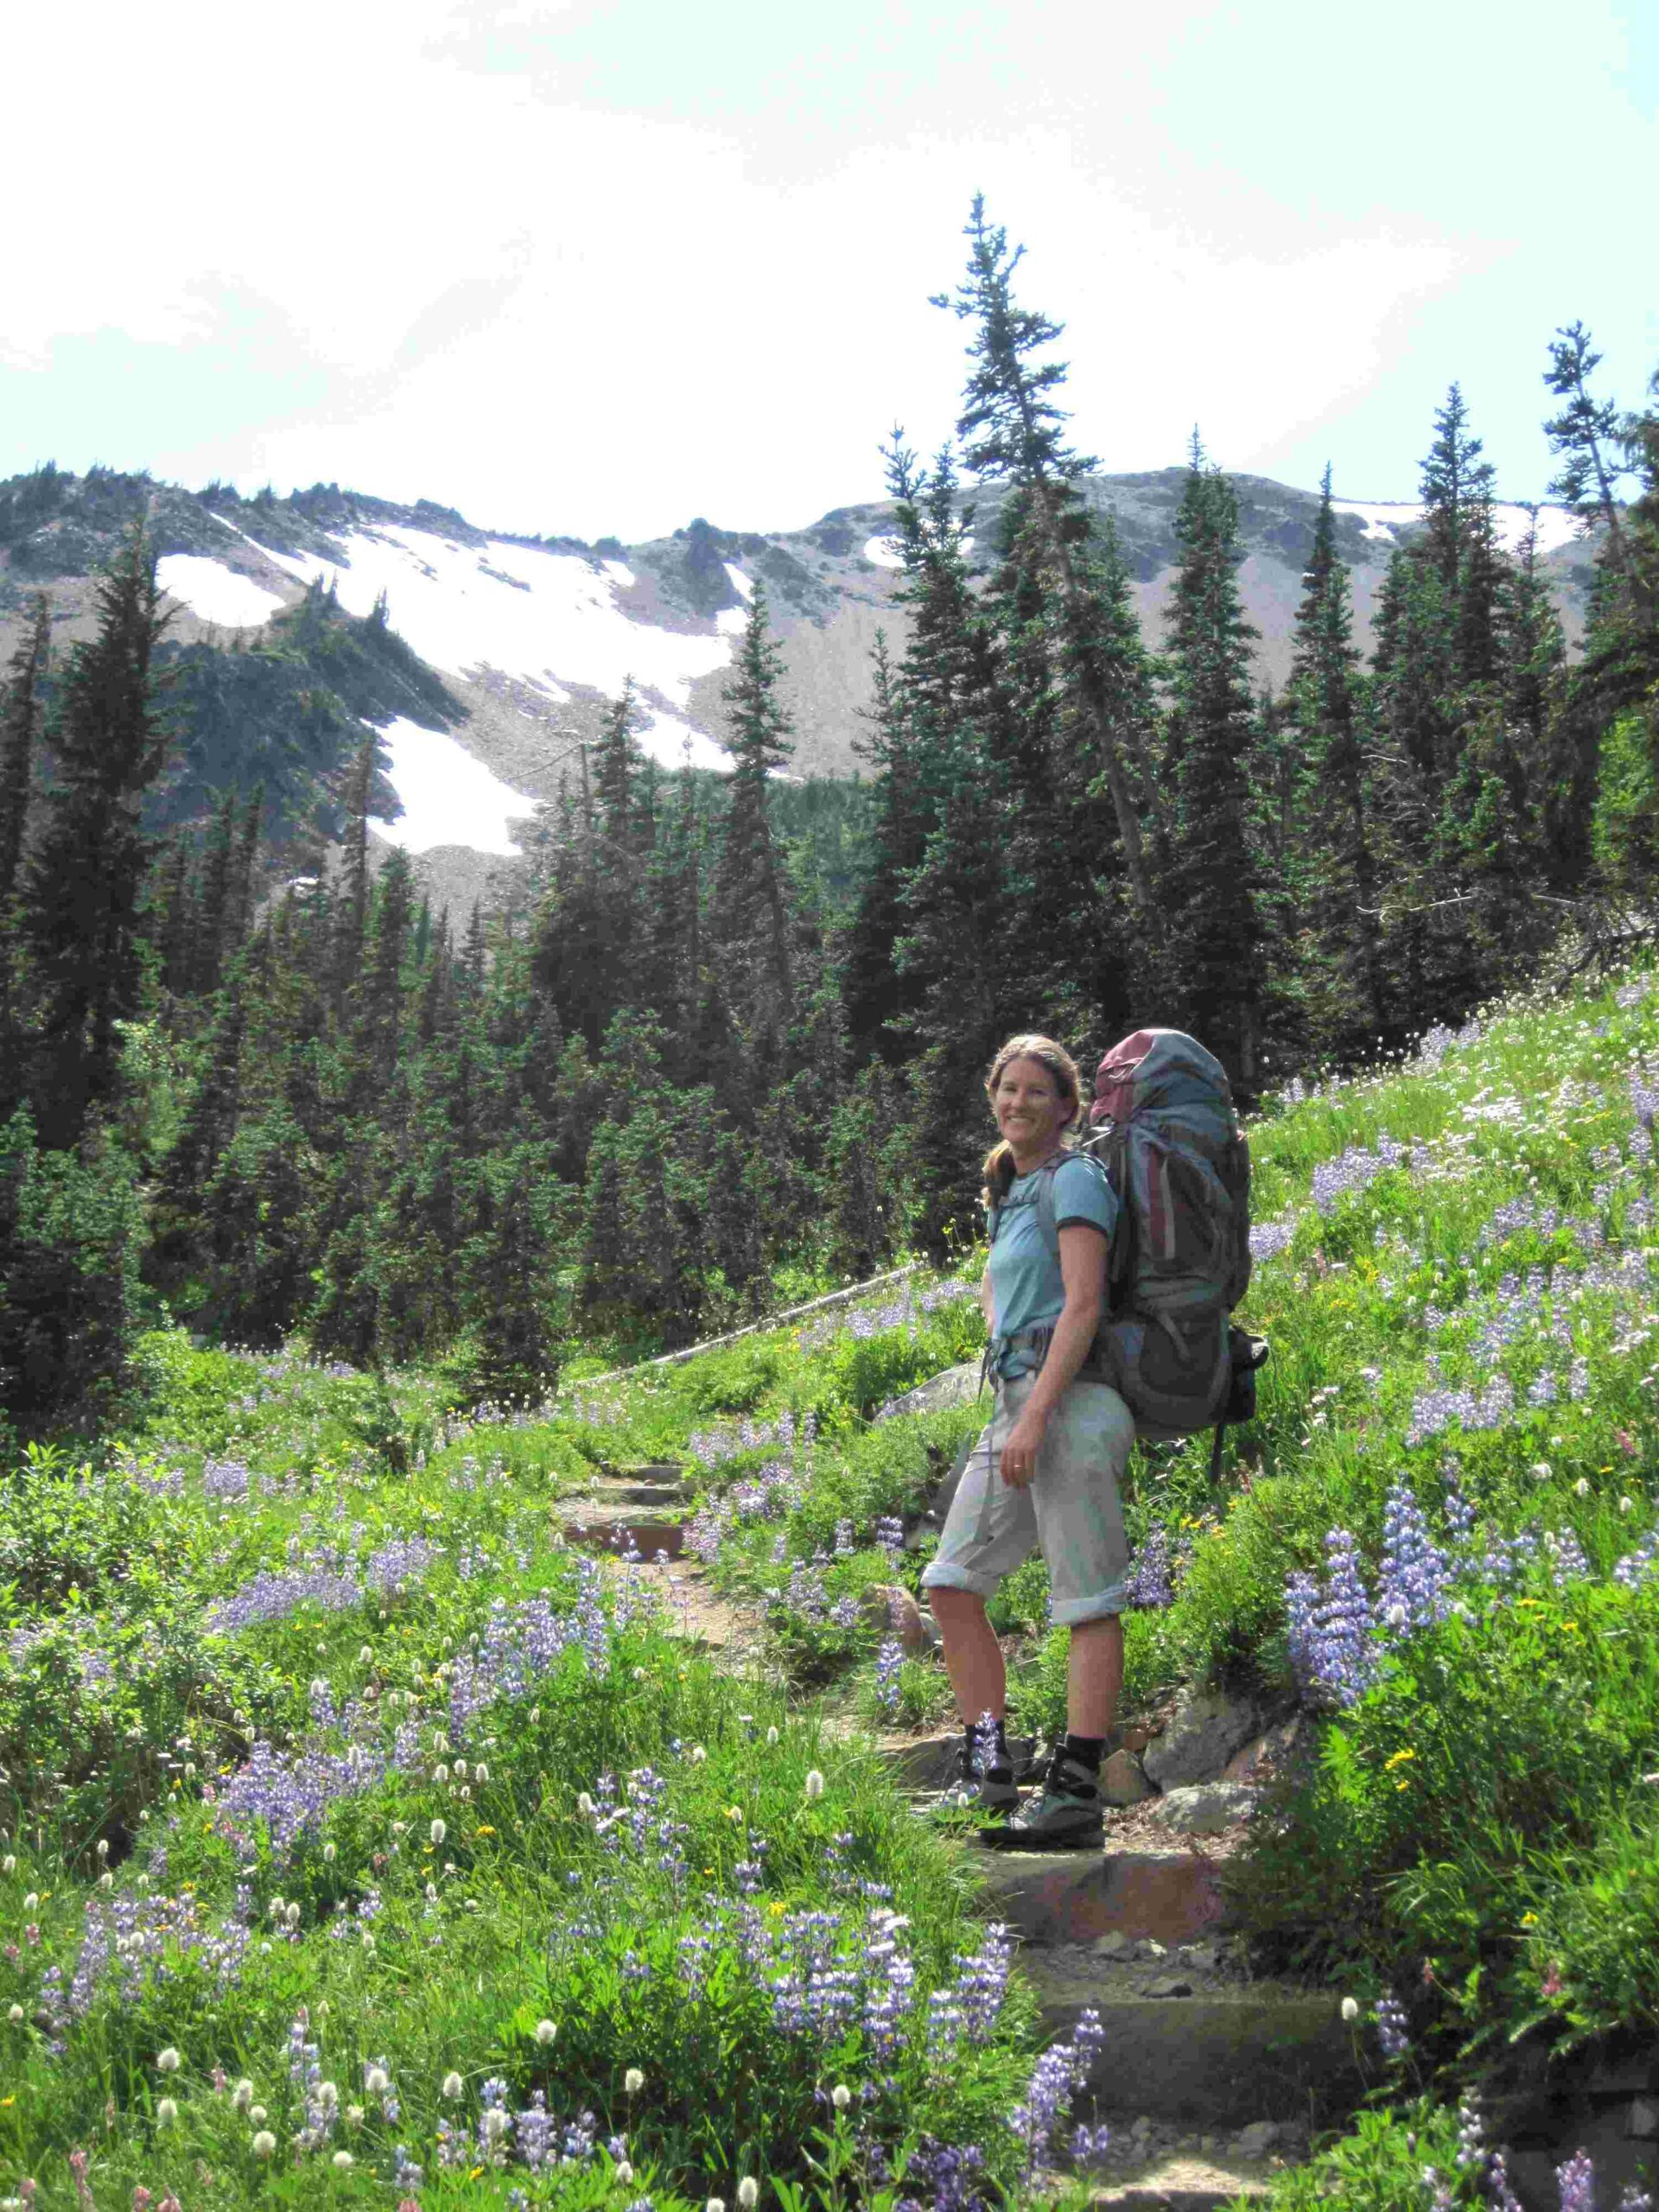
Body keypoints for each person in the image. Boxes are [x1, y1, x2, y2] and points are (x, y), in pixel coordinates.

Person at [918, 1033, 1134, 1847]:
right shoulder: (1011, 1188)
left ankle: (1076, 1792)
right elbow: (1002, 1296)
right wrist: (1016, 1403)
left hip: (1071, 1407)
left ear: (1068, 1107)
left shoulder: (1076, 1178)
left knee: (1085, 1596)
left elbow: (1082, 1305)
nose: (1017, 1103)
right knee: (952, 1584)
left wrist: (1038, 1414)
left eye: (1036, 1092)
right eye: (1007, 1090)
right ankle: (988, 1772)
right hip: (1019, 1406)